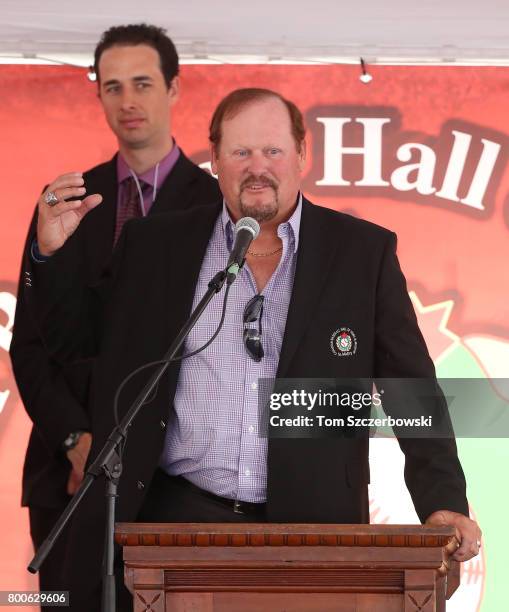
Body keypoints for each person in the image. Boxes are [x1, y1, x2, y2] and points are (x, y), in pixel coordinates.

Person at [26, 88, 480, 610]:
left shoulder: (362, 253)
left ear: (303, 156)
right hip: (174, 525)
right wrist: (52, 256)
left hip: (315, 529)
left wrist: (443, 501)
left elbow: (411, 390)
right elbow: (74, 342)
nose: (257, 167)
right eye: (240, 152)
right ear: (214, 159)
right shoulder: (154, 245)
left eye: (273, 151)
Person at [9, 23, 220, 600]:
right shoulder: (68, 200)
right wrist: (76, 438)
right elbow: (30, 344)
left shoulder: (215, 206)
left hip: (174, 482)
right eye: (112, 86)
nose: (127, 101)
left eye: (143, 84)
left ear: (174, 89)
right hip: (66, 475)